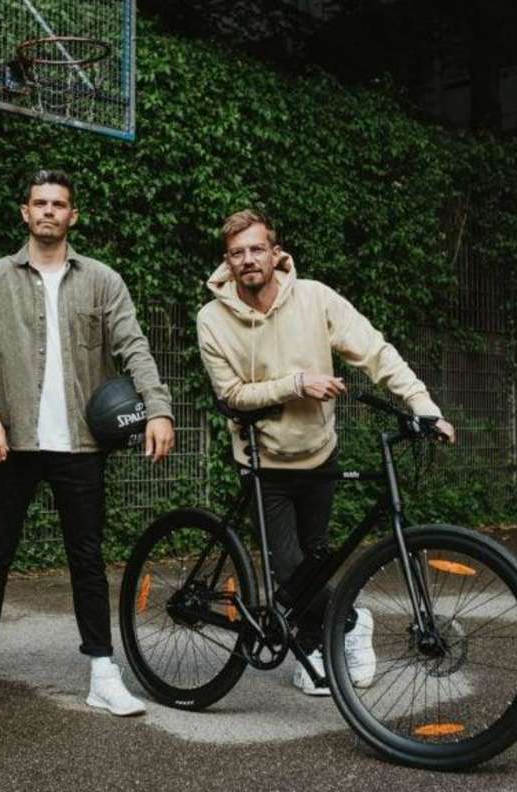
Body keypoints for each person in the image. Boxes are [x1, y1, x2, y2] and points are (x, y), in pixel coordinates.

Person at [0, 169, 176, 718]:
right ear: (25, 212)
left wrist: (158, 409)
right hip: (11, 442)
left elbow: (134, 347)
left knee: (87, 559)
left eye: (59, 204)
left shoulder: (102, 281)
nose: (48, 211)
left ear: (73, 215)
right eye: (39, 203)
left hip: (81, 444)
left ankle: (101, 672)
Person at [195, 209, 456, 696]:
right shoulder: (211, 319)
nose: (249, 260)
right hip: (260, 461)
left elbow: (375, 352)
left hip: (318, 455)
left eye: (257, 249)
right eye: (237, 253)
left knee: (313, 566)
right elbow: (230, 395)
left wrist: (423, 404)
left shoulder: (315, 299)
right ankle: (351, 623)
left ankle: (314, 642)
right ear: (227, 263)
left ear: (276, 252)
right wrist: (297, 384)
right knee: (290, 568)